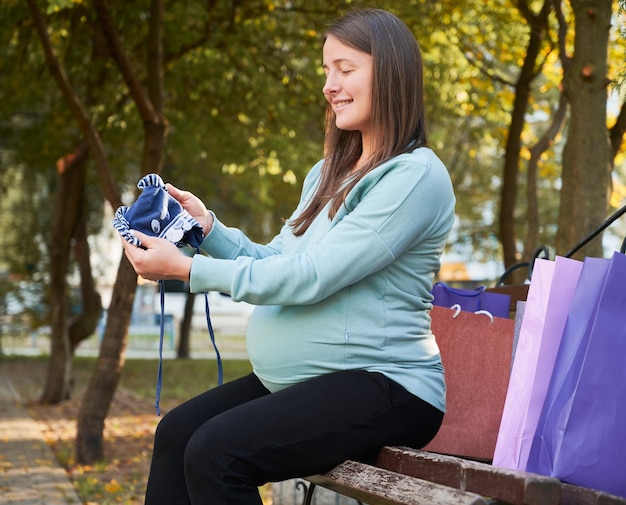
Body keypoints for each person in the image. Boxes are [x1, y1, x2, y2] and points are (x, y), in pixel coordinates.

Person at [122, 8, 456, 505]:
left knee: (217, 453)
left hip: (388, 387)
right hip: (308, 381)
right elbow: (277, 258)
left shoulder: (415, 176)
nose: (330, 84)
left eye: (345, 69)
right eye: (326, 71)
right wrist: (207, 229)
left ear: (389, 72)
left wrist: (189, 270)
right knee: (176, 435)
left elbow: (313, 277)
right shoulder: (329, 172)